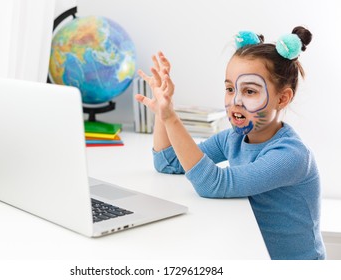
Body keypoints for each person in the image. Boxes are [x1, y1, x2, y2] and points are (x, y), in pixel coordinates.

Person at [135, 26, 326, 260]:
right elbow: (169, 162)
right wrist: (162, 108)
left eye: (249, 91)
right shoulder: (233, 138)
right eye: (229, 89)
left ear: (282, 98)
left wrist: (170, 118)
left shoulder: (291, 156)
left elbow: (214, 184)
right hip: (254, 254)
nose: (235, 100)